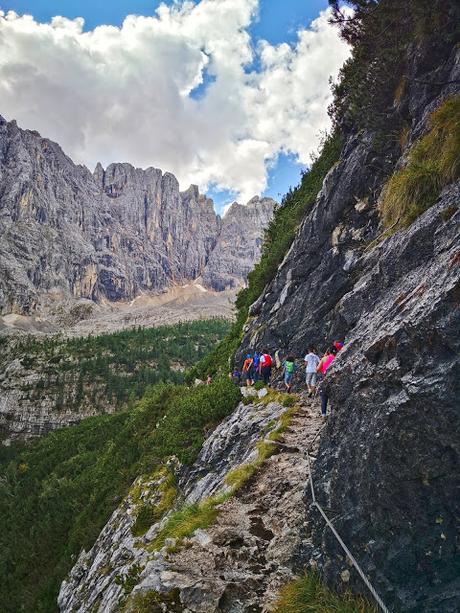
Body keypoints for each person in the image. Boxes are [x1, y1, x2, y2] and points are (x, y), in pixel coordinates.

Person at [316, 347, 336, 418]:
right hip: (334, 378)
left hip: (325, 378)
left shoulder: (324, 358)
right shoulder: (337, 357)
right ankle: (333, 412)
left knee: (324, 396)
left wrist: (324, 357)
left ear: (328, 352)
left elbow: (317, 369)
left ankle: (324, 414)